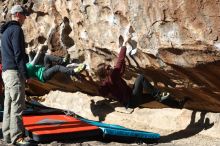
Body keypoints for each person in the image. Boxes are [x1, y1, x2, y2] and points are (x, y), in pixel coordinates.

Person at [96, 37, 181, 108]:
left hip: (130, 102)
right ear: (105, 72)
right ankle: (158, 94)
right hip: (132, 99)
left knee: (153, 97)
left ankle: (177, 105)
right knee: (141, 78)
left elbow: (104, 92)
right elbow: (120, 61)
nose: (110, 67)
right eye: (107, 67)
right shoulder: (112, 76)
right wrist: (124, 46)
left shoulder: (107, 82)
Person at [0, 5, 31, 145]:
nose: (25, 18)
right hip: (14, 73)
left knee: (8, 105)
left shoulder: (4, 32)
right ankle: (17, 137)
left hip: (6, 73)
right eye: (24, 15)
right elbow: (18, 54)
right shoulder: (16, 30)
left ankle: (7, 136)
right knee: (18, 105)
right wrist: (25, 74)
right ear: (18, 14)